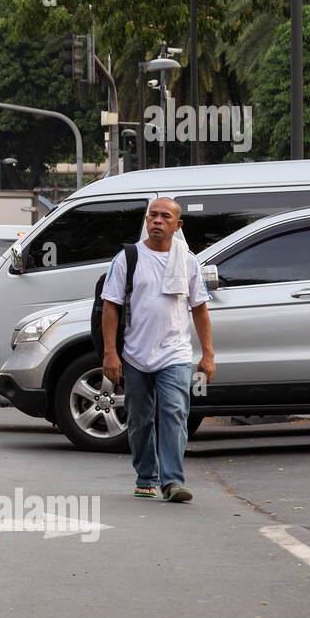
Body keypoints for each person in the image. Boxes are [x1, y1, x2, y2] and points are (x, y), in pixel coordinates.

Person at [100, 198, 216, 503]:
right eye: (153, 215)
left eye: (166, 217)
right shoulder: (128, 258)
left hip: (175, 353)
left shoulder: (187, 260)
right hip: (136, 354)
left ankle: (172, 481)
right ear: (146, 219)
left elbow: (200, 309)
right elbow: (110, 307)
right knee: (139, 418)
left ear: (177, 226)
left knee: (175, 413)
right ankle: (146, 476)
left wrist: (208, 354)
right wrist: (110, 353)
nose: (157, 221)